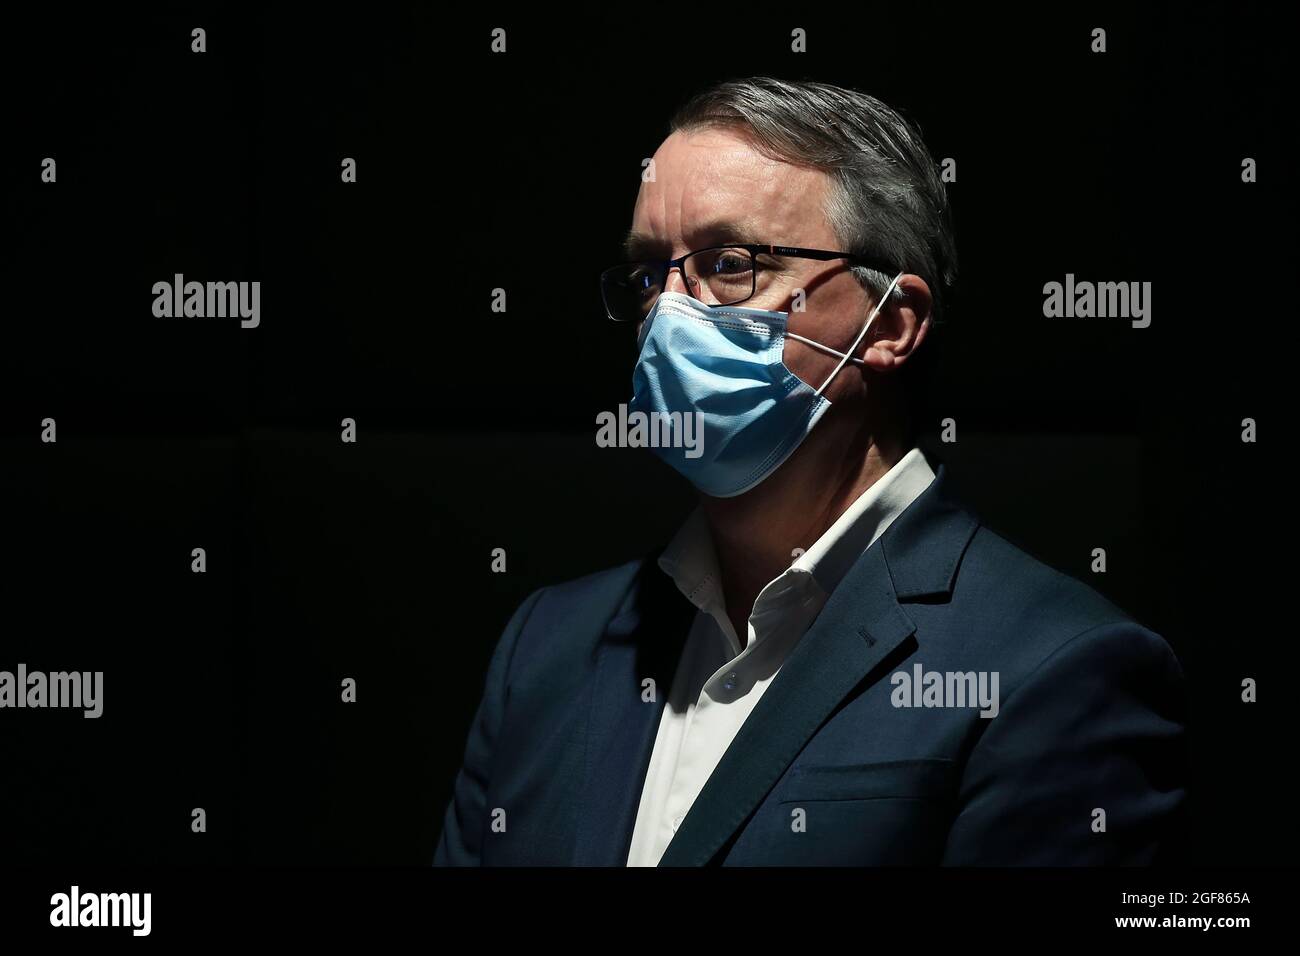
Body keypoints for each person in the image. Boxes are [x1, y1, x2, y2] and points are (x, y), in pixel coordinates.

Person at [434, 76, 1186, 866]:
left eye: (730, 263)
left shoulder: (1052, 668)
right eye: (650, 275)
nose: (667, 315)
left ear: (890, 324)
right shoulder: (551, 647)